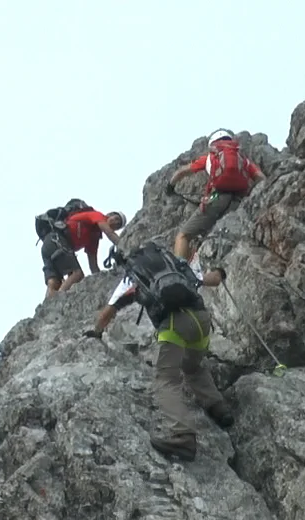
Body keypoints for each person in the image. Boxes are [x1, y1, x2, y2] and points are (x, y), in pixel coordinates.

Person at [85, 242, 234, 462]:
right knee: (192, 366)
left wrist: (96, 332)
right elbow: (210, 279)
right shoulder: (175, 265)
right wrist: (221, 273)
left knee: (165, 379)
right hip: (201, 320)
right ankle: (219, 408)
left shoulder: (133, 275)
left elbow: (108, 312)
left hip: (174, 324)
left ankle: (183, 435)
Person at [168, 129, 264, 259]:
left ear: (212, 145)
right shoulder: (243, 160)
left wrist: (170, 186)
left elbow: (182, 172)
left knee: (183, 235)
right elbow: (260, 177)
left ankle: (180, 271)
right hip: (238, 203)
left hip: (216, 199)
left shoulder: (210, 157)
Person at [42, 206, 127, 298]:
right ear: (109, 215)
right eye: (116, 218)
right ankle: (57, 300)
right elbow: (108, 232)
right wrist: (125, 247)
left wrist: (103, 280)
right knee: (77, 274)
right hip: (57, 240)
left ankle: (49, 303)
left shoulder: (94, 238)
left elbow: (93, 266)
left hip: (49, 244)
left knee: (55, 281)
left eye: (118, 225)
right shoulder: (97, 215)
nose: (116, 222)